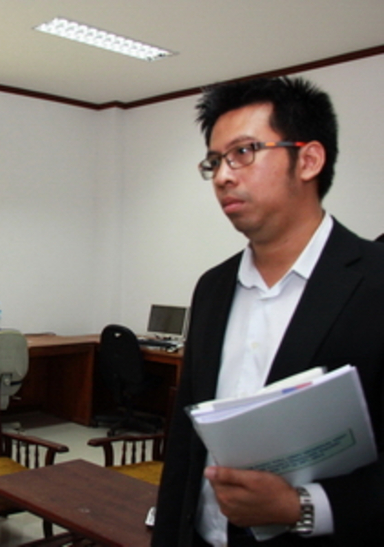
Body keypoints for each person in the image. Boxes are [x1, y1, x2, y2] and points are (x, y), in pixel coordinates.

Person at [152, 76, 384, 546]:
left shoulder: (374, 282)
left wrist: (302, 507)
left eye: (243, 152)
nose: (223, 176)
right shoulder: (212, 288)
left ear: (309, 160)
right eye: (214, 161)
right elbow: (185, 447)